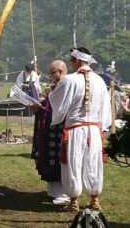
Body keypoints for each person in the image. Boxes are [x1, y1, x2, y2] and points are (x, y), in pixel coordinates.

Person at [48, 47, 111, 213]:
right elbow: (105, 110)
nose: (71, 64)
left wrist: (49, 94)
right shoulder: (100, 81)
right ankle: (94, 199)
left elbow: (58, 103)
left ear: (76, 60)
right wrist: (102, 127)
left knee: (72, 164)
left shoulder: (69, 80)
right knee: (93, 164)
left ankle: (74, 201)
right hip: (94, 130)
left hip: (76, 129)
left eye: (71, 61)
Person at [30, 60, 69, 205]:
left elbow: (59, 109)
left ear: (60, 71)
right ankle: (53, 190)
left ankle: (63, 192)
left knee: (58, 159)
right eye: (49, 73)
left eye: (52, 73)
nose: (50, 76)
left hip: (59, 128)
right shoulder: (56, 87)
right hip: (49, 128)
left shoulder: (66, 85)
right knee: (48, 157)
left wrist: (40, 109)